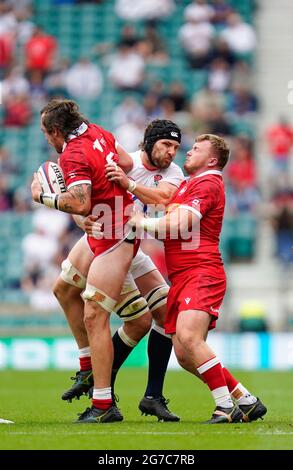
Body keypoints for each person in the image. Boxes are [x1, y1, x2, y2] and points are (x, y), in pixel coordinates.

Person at [129, 134, 267, 423]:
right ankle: (245, 399)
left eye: (195, 149)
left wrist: (141, 222)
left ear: (213, 160)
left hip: (201, 271)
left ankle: (225, 407)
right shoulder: (188, 185)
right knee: (183, 353)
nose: (188, 152)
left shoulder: (208, 181)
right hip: (182, 276)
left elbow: (180, 223)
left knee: (190, 338)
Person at [55, 119, 185, 421]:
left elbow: (163, 198)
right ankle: (96, 378)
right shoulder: (121, 160)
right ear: (149, 142)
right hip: (109, 244)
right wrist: (80, 221)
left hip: (132, 246)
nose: (171, 153)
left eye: (176, 147)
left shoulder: (171, 173)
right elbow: (85, 198)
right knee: (71, 295)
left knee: (165, 315)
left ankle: (151, 395)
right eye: (166, 145)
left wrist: (128, 184)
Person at [31, 98, 137, 424]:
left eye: (46, 133)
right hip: (102, 228)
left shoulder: (74, 153)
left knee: (95, 317)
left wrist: (42, 196)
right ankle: (88, 365)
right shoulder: (97, 131)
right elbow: (127, 163)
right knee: (63, 289)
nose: (46, 139)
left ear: (57, 131)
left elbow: (79, 202)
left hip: (115, 236)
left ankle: (104, 406)